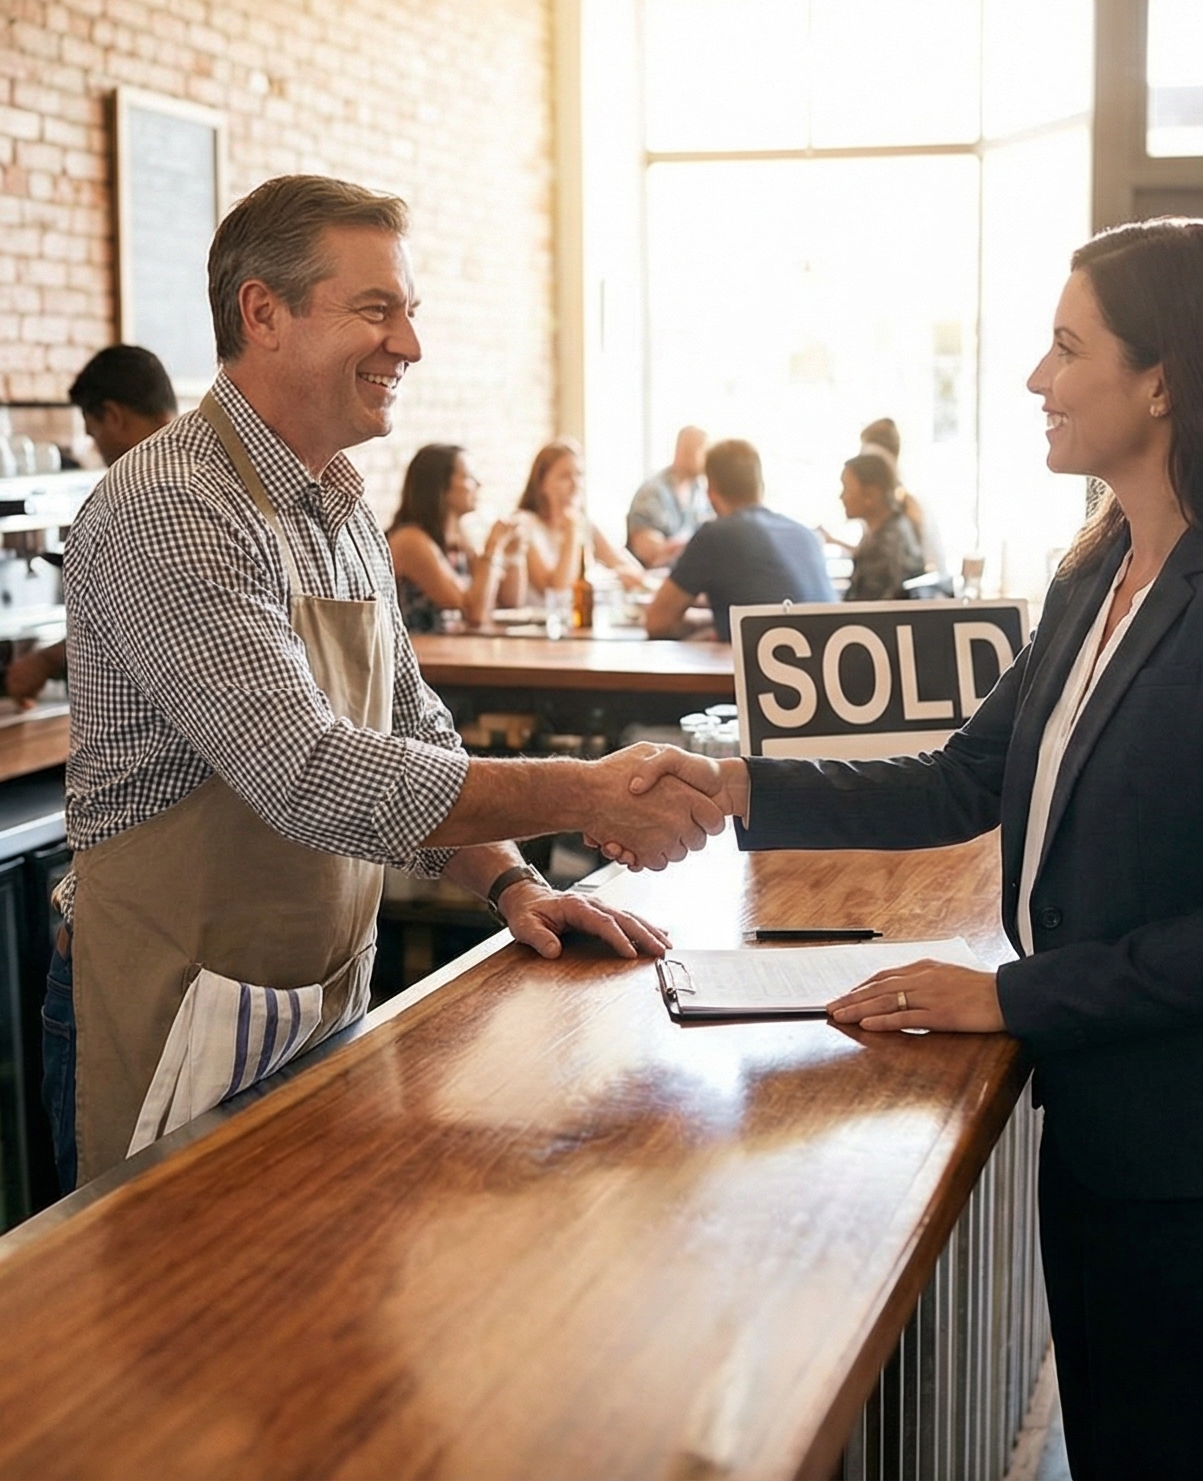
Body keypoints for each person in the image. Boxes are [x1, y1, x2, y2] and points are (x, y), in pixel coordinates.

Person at [616, 220, 1203, 1476]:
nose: (1034, 379)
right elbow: (964, 779)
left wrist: (1010, 993)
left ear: (1164, 379)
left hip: (1201, 1165)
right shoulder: (1100, 568)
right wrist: (736, 783)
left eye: (1067, 348)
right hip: (1099, 1130)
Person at [47, 174, 728, 1191]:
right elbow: (309, 774)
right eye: (377, 309)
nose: (408, 343)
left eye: (409, 312)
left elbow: (412, 735)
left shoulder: (340, 507)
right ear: (262, 313)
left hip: (314, 998)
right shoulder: (174, 506)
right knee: (168, 1338)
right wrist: (584, 790)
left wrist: (513, 880)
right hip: (169, 1016)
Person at [6, 346, 178, 706]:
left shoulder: (145, 493)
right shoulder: (202, 470)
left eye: (93, 433)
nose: (97, 450)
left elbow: (145, 625)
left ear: (113, 416)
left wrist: (43, 662)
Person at [642, 439, 835, 638]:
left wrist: (701, 624)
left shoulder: (714, 536)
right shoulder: (806, 535)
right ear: (761, 486)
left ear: (710, 491)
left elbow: (657, 622)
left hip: (762, 664)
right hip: (828, 663)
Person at [502, 438, 648, 605]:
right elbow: (558, 591)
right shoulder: (524, 525)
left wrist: (617, 574)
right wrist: (571, 531)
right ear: (542, 483)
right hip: (540, 625)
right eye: (565, 476)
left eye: (579, 475)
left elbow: (634, 572)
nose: (575, 484)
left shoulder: (584, 524)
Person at [385, 442, 505, 632]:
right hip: (418, 658)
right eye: (468, 477)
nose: (478, 484)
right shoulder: (411, 540)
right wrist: (493, 548)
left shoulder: (458, 538)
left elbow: (507, 600)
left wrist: (514, 555)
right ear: (440, 485)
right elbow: (475, 612)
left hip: (449, 653)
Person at [839, 449, 926, 601]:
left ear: (870, 494)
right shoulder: (895, 529)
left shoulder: (886, 544)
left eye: (846, 487)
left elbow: (869, 611)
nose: (841, 497)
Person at [627, 424, 711, 568]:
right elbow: (648, 552)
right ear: (684, 451)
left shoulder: (701, 493)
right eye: (704, 452)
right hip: (655, 581)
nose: (708, 460)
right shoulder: (653, 492)